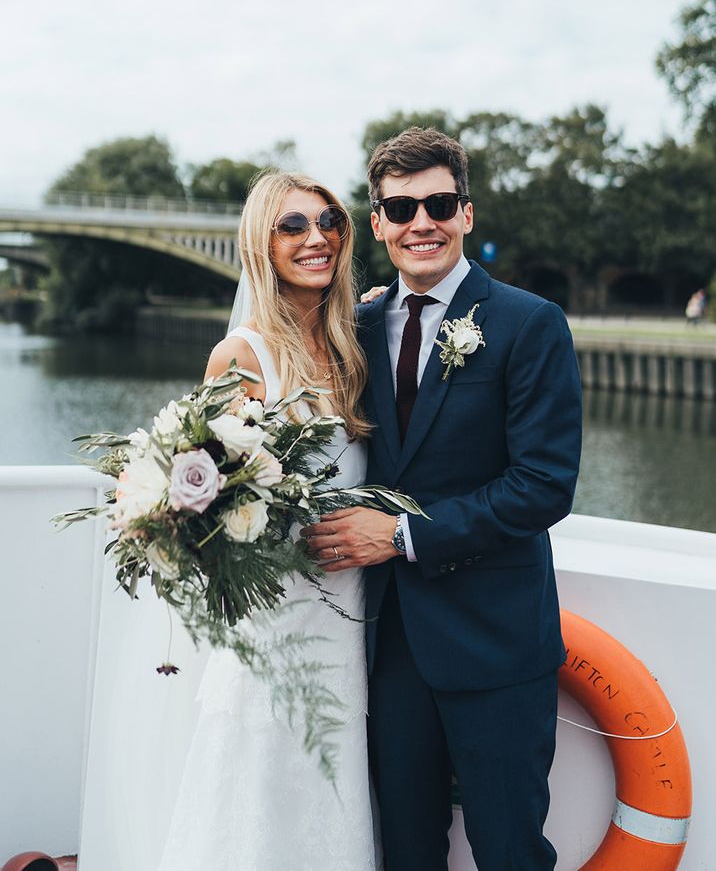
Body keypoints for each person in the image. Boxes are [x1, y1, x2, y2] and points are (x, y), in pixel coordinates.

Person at [304, 128, 582, 870]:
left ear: (466, 213)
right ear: (378, 224)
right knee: (405, 852)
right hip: (389, 647)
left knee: (509, 850)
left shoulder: (531, 325)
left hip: (496, 645)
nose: (420, 222)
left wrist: (399, 535)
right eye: (401, 208)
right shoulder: (354, 329)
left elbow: (544, 486)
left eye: (438, 203)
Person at [156, 171, 379, 870]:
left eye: (330, 222)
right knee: (258, 800)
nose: (318, 238)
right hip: (278, 622)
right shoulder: (242, 356)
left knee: (330, 797)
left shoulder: (352, 346)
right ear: (262, 242)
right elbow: (206, 507)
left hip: (348, 616)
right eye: (293, 226)